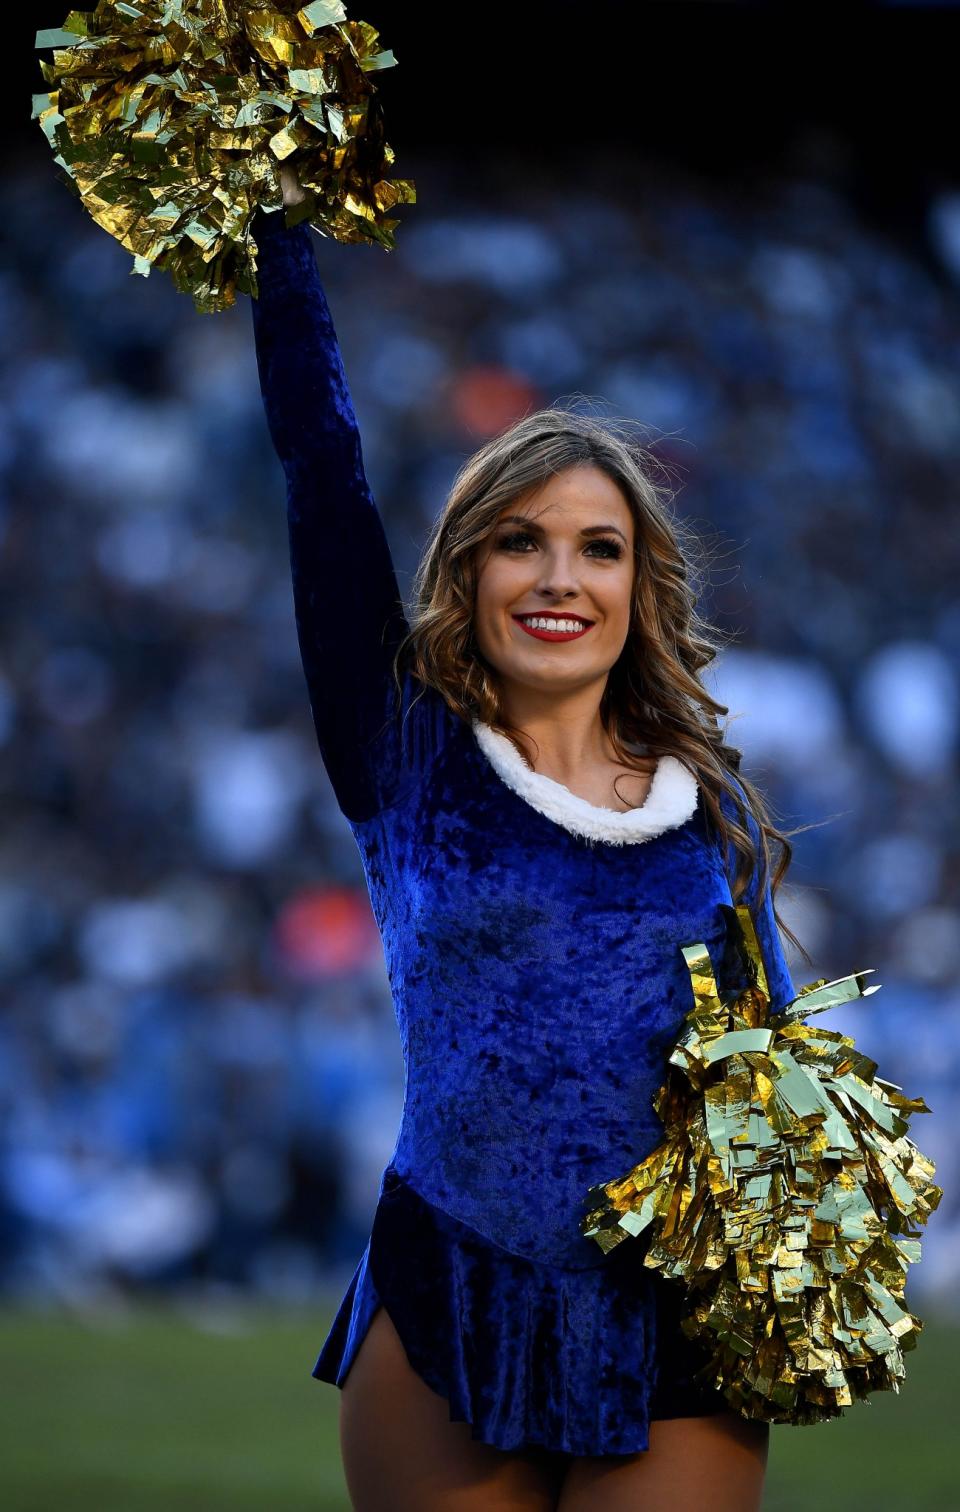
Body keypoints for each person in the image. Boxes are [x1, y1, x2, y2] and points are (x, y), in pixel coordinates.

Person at [248, 166, 799, 1511]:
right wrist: (271, 221)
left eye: (597, 549)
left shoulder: (710, 802)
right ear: (466, 573)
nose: (558, 576)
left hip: (674, 1308)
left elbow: (770, 1047)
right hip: (450, 1280)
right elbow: (323, 472)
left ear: (638, 585)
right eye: (518, 542)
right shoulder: (405, 751)